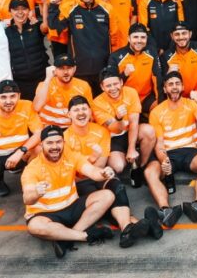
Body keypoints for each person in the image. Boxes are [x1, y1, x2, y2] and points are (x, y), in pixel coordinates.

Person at [62, 96, 157, 248]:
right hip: (77, 182)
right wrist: (92, 158)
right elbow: (71, 171)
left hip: (97, 175)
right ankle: (143, 226)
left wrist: (93, 163)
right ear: (69, 114)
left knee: (117, 186)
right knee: (108, 201)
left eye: (84, 108)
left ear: (90, 111)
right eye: (76, 110)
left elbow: (101, 163)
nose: (81, 113)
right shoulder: (64, 137)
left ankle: (126, 229)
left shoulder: (101, 131)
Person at [21, 126, 118, 258]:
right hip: (45, 214)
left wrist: (104, 173)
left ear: (63, 143)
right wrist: (37, 192)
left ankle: (67, 237)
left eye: (58, 142)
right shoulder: (32, 168)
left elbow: (93, 172)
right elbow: (27, 198)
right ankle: (85, 236)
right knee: (34, 227)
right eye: (49, 143)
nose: (54, 146)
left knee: (107, 195)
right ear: (41, 144)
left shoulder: (72, 156)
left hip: (72, 207)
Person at [142, 72, 197, 227]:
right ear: (165, 88)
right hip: (168, 152)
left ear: (182, 86)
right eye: (170, 84)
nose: (174, 87)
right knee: (149, 172)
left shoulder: (192, 104)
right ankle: (165, 209)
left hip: (189, 150)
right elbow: (159, 142)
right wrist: (163, 161)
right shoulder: (156, 112)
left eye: (177, 83)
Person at [47, 0, 111, 92]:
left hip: (103, 68)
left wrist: (112, 63)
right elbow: (55, 28)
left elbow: (115, 37)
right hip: (80, 69)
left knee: (100, 105)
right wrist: (53, 8)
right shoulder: (69, 8)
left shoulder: (107, 8)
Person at [89, 67, 142, 176]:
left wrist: (131, 148)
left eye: (115, 84)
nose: (113, 88)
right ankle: (117, 164)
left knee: (148, 131)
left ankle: (142, 166)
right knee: (118, 166)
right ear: (102, 87)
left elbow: (134, 122)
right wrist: (118, 119)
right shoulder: (96, 103)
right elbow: (115, 129)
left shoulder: (131, 92)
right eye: (108, 85)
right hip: (113, 137)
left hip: (129, 131)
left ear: (121, 82)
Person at [109, 23, 163, 114]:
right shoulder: (116, 56)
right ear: (129, 38)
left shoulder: (152, 52)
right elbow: (110, 85)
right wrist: (124, 74)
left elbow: (157, 78)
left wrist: (160, 102)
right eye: (135, 37)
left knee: (160, 112)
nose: (139, 40)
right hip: (125, 100)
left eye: (143, 37)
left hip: (146, 98)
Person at [5, 0, 49, 100]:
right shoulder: (6, 32)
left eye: (24, 9)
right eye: (16, 9)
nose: (20, 12)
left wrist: (45, 4)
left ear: (29, 11)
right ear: (10, 11)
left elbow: (46, 26)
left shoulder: (36, 26)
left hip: (41, 78)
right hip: (20, 82)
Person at [33, 56, 93, 128]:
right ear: (54, 70)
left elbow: (89, 113)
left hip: (73, 128)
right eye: (61, 68)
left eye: (69, 68)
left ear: (74, 69)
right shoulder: (44, 85)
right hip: (50, 128)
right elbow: (36, 107)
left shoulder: (83, 85)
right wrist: (48, 78)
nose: (65, 72)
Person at [163, 23, 197, 99]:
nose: (181, 37)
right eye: (177, 34)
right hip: (180, 99)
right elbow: (164, 84)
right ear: (172, 36)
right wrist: (168, 74)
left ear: (190, 34)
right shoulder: (166, 56)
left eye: (184, 33)